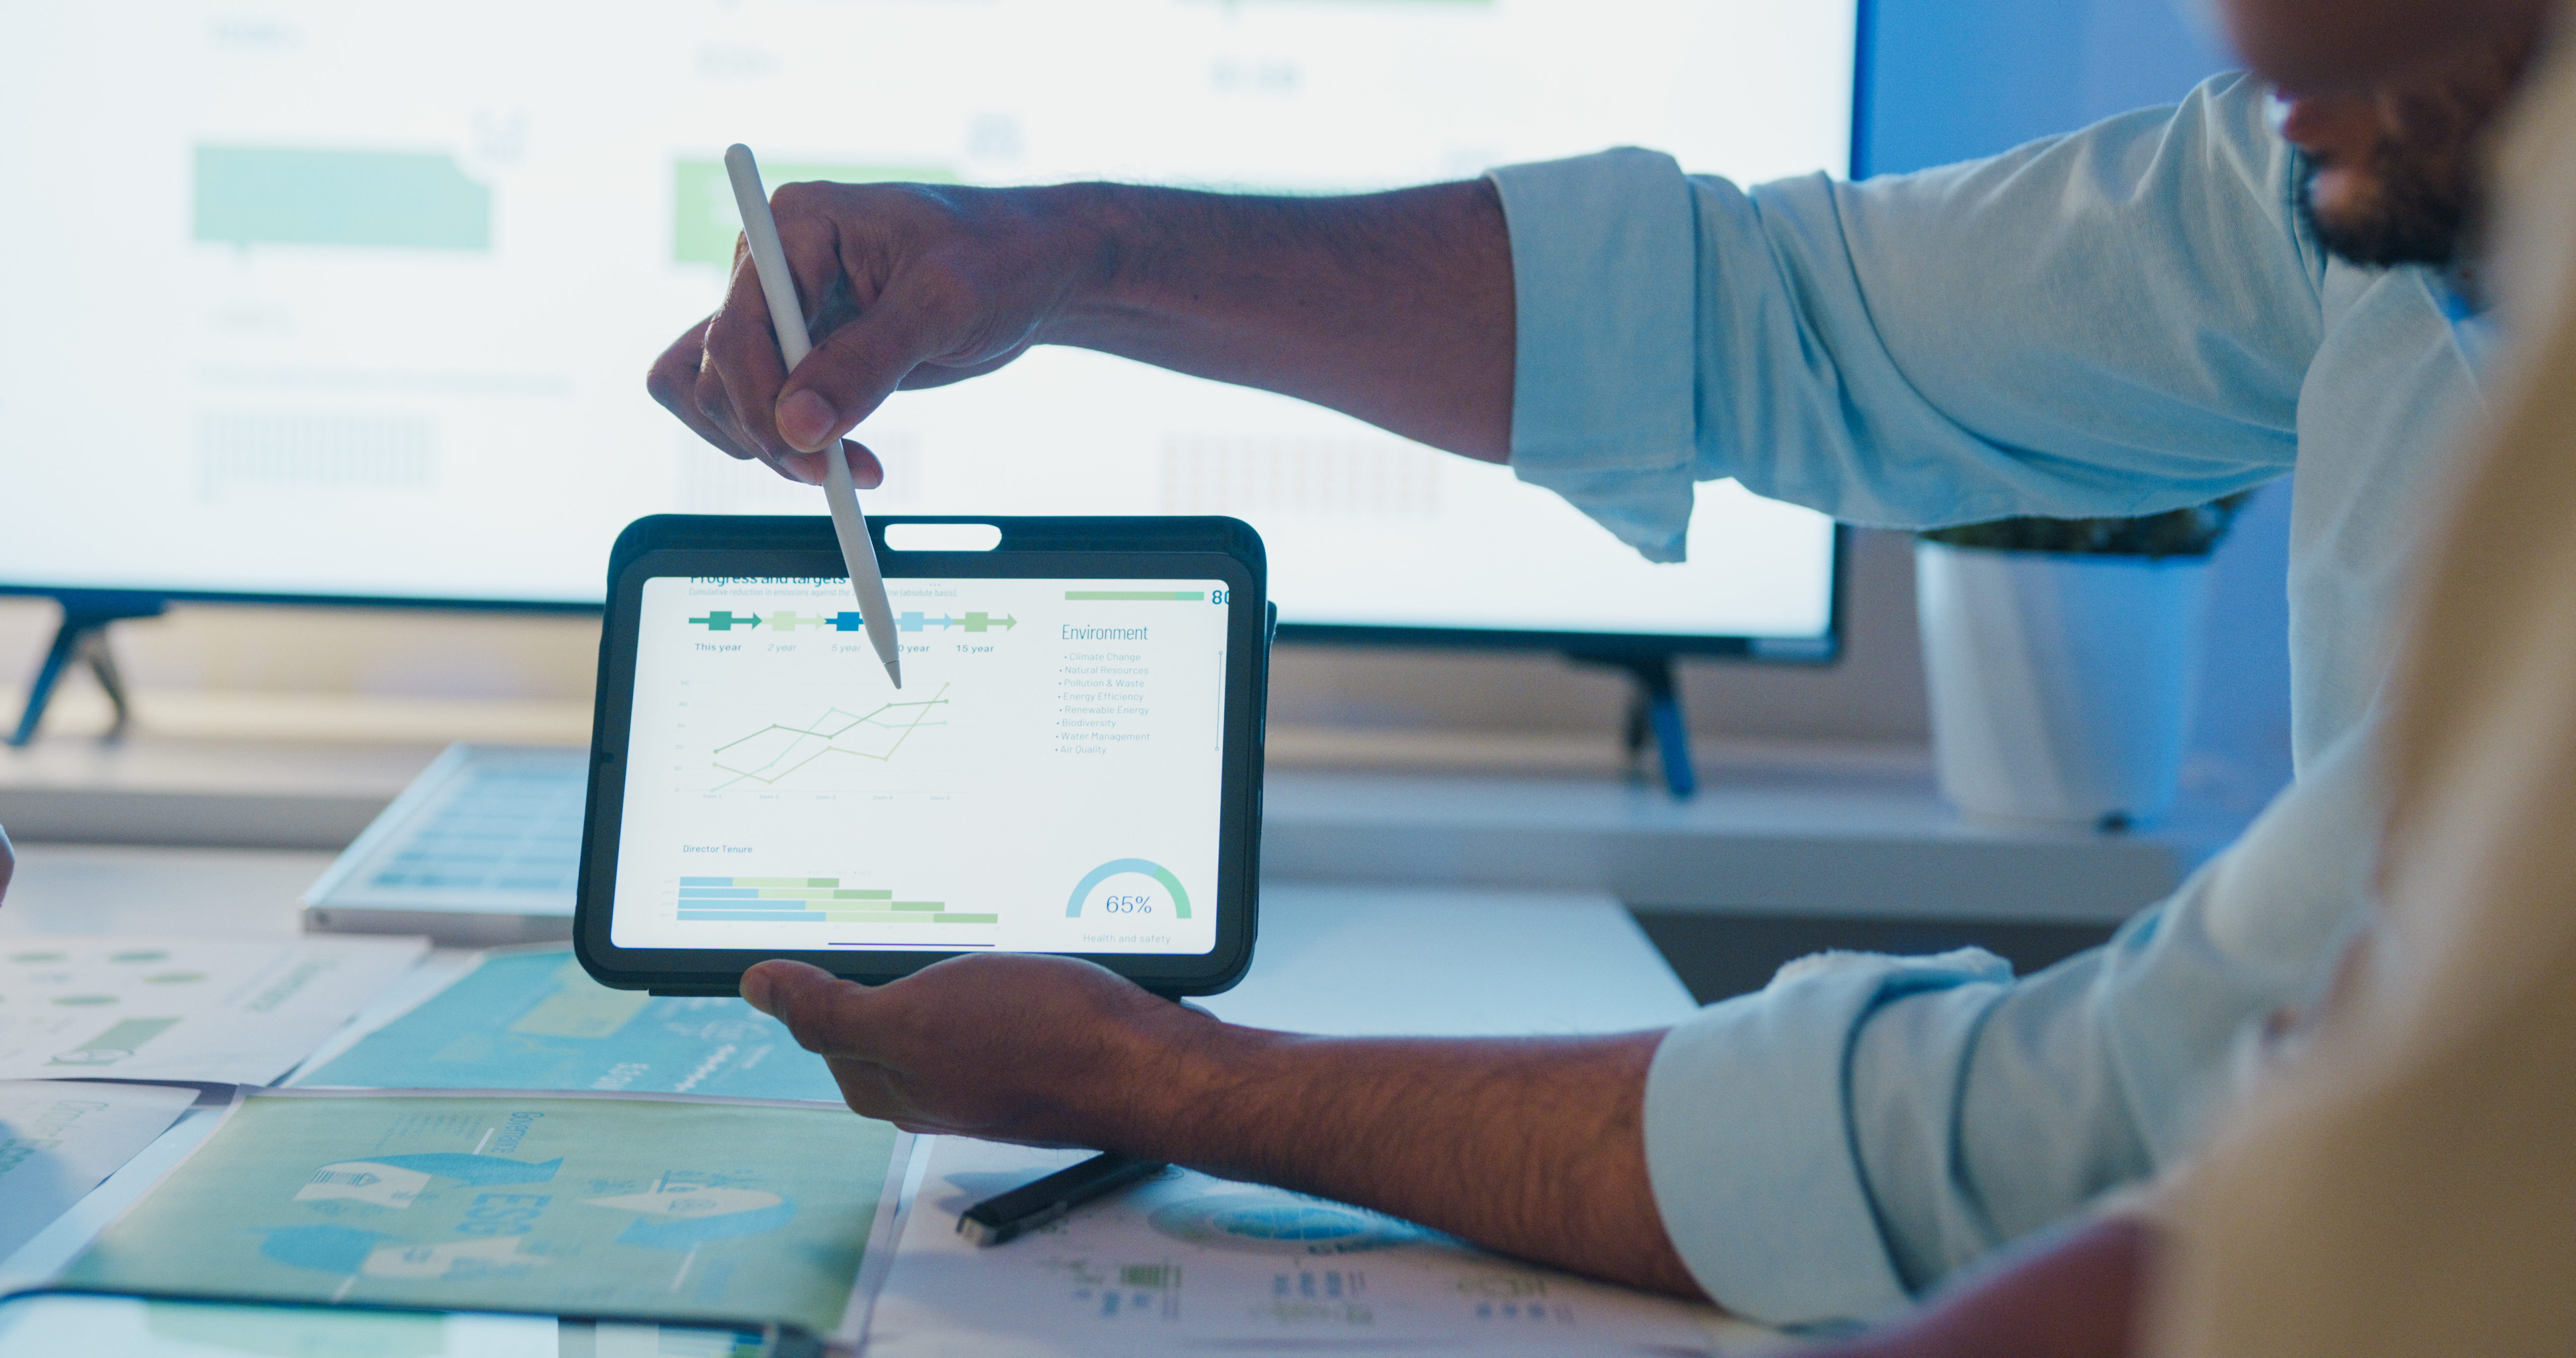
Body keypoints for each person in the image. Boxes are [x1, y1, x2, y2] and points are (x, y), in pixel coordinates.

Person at [649, 18, 2538, 1324]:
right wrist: (1048, 252)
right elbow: (1774, 318)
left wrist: (1168, 1080)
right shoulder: (2410, 102)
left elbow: (2105, 1130)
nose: (2247, 59)